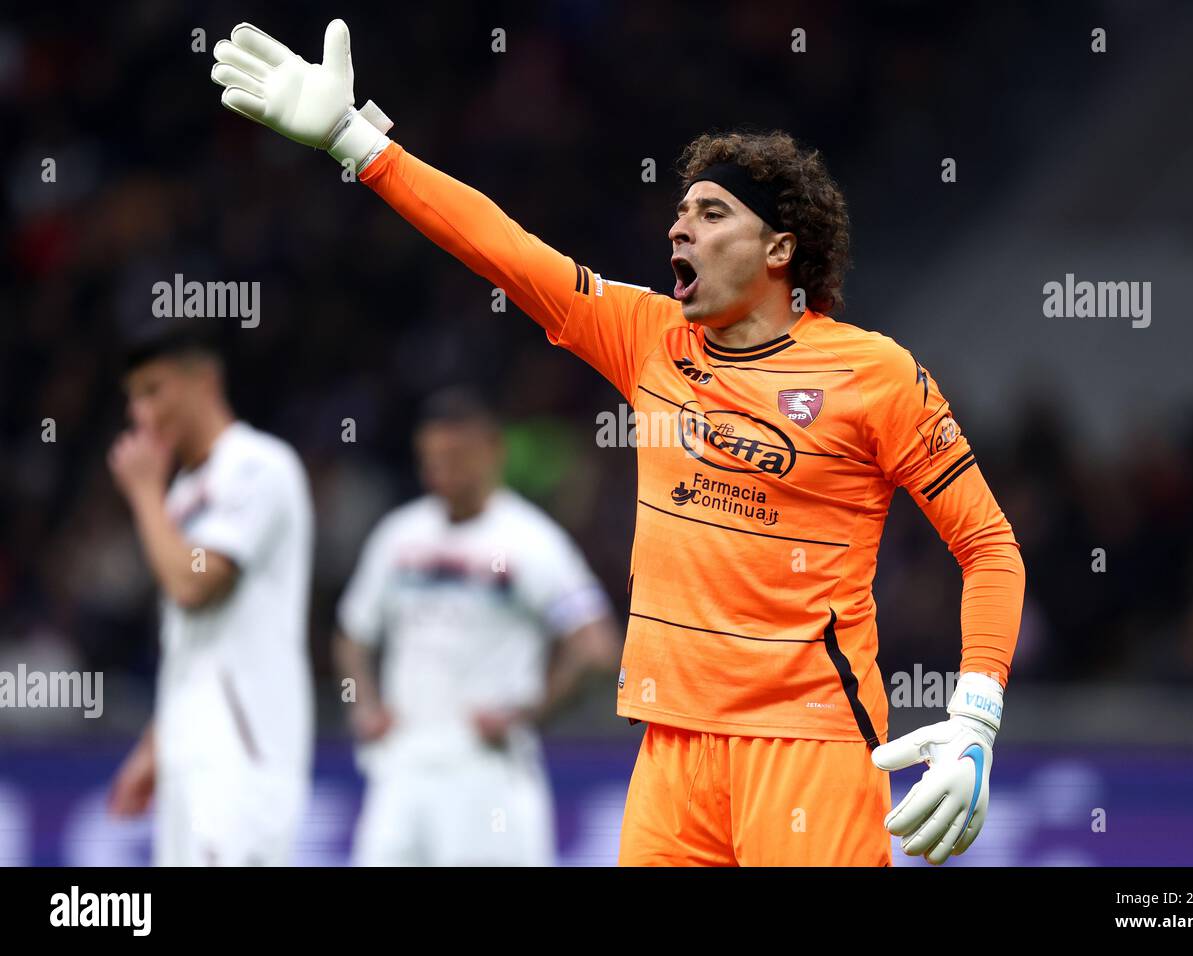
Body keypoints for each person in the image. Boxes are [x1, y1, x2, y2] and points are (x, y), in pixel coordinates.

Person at [210, 20, 1026, 866]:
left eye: (712, 213)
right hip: (670, 746)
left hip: (807, 745)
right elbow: (504, 251)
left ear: (781, 248)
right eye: (679, 212)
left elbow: (990, 547)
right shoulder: (650, 339)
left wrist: (974, 718)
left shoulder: (875, 374)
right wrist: (357, 142)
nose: (680, 229)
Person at [334, 389, 621, 866]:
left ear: (493, 451)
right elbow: (352, 633)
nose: (439, 472)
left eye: (454, 457)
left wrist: (529, 713)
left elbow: (596, 645)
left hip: (486, 775)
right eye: (430, 459)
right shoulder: (399, 536)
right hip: (402, 767)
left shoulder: (531, 542)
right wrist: (362, 705)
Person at [106, 325, 314, 866]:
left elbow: (195, 583)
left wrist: (144, 495)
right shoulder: (180, 493)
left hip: (244, 751)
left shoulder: (258, 466)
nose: (140, 413)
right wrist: (154, 747)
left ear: (204, 380)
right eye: (132, 398)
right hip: (189, 752)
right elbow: (190, 642)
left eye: (153, 391)